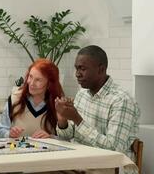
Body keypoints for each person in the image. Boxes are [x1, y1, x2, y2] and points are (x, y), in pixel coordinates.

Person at [55, 45, 140, 174]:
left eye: (82, 69)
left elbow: (114, 150)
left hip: (112, 168)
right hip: (81, 163)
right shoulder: (82, 93)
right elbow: (67, 136)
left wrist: (77, 119)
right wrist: (63, 120)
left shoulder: (121, 100)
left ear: (101, 69)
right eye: (76, 68)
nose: (77, 74)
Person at [0, 58, 64, 138]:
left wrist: (51, 137)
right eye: (30, 77)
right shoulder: (14, 99)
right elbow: (0, 130)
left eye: (38, 80)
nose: (31, 83)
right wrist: (9, 134)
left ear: (49, 84)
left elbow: (67, 138)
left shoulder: (58, 104)